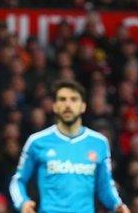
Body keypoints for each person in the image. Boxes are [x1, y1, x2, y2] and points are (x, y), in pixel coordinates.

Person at [9, 80, 129, 213]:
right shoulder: (37, 141)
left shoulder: (99, 143)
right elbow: (18, 181)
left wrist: (118, 205)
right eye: (62, 99)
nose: (67, 104)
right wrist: (22, 203)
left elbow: (105, 187)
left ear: (83, 106)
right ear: (55, 106)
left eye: (73, 99)